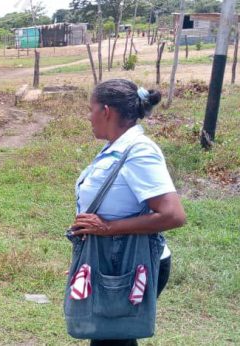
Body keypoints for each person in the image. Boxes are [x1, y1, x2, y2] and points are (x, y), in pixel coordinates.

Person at [69, 79, 186, 345]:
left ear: (106, 111)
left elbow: (173, 215)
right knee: (108, 339)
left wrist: (107, 229)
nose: (89, 117)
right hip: (110, 260)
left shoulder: (140, 151)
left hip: (131, 263)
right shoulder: (116, 146)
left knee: (111, 340)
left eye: (91, 109)